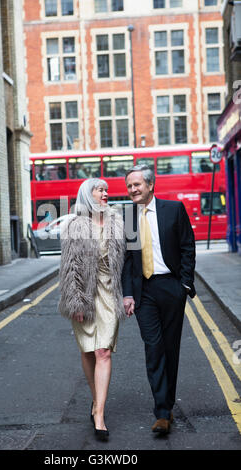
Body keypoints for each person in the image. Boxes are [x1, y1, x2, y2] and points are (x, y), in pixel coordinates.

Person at [121, 165, 196, 435]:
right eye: (129, 186)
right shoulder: (128, 216)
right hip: (144, 291)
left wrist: (185, 284)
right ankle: (162, 412)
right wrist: (127, 293)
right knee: (153, 348)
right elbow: (128, 261)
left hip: (171, 286)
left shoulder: (173, 210)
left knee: (170, 349)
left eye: (137, 185)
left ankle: (167, 404)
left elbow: (188, 246)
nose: (132, 190)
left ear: (151, 185)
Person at [59, 178, 127, 441]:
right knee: (88, 350)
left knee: (103, 351)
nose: (105, 194)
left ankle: (99, 413)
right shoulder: (74, 225)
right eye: (100, 190)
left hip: (110, 294)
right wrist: (76, 302)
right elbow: (69, 269)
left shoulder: (118, 222)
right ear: (88, 195)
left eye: (106, 190)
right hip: (84, 294)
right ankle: (96, 400)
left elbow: (128, 261)